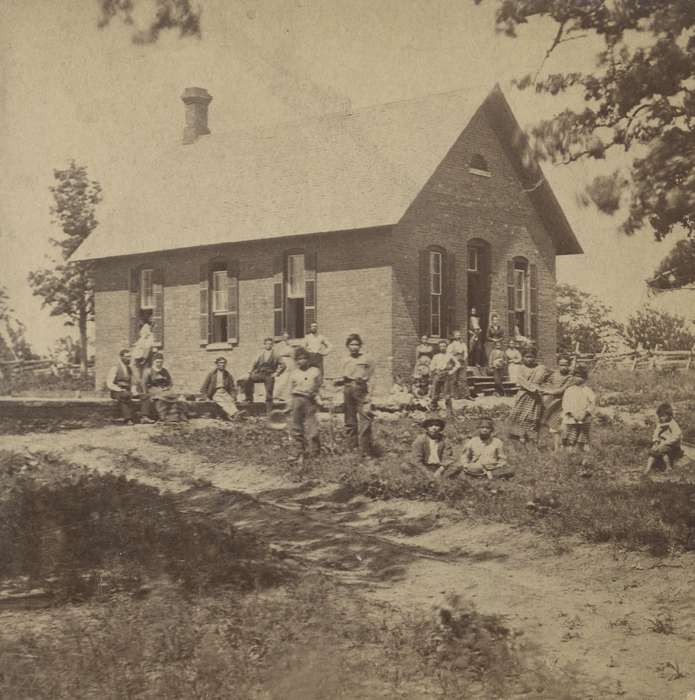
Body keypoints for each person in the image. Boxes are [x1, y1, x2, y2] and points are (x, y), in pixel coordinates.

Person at [335, 333, 375, 457]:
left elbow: (372, 377)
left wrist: (370, 395)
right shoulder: (344, 359)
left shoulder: (367, 359)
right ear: (347, 346)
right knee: (350, 420)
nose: (354, 347)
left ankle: (365, 451)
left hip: (361, 389)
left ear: (360, 346)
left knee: (365, 418)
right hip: (347, 389)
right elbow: (340, 377)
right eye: (352, 344)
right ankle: (351, 449)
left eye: (357, 344)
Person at [288, 347, 322, 462]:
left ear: (308, 359)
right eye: (298, 359)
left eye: (304, 358)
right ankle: (298, 452)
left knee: (312, 427)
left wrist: (319, 397)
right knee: (296, 427)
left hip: (310, 400)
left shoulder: (315, 371)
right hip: (297, 399)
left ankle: (315, 452)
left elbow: (318, 385)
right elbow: (291, 389)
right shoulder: (294, 373)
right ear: (296, 361)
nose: (301, 361)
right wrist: (289, 405)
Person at [508, 349, 548, 445]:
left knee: (534, 416)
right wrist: (533, 388)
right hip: (524, 394)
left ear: (535, 358)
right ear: (523, 358)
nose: (529, 359)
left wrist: (538, 388)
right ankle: (521, 435)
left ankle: (534, 436)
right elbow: (521, 380)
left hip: (535, 396)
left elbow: (540, 379)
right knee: (521, 415)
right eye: (527, 357)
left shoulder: (540, 368)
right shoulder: (521, 368)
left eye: (531, 357)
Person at [541, 356, 577, 451]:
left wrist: (547, 391)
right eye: (561, 365)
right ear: (558, 365)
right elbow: (547, 382)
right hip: (554, 403)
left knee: (566, 425)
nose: (563, 367)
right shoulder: (554, 374)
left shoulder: (570, 377)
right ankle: (557, 448)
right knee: (554, 426)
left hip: (566, 403)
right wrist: (545, 388)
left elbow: (561, 390)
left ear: (569, 365)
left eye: (566, 365)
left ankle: (566, 446)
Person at [561, 365, 596, 455]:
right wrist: (571, 414)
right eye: (576, 376)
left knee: (582, 436)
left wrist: (586, 413)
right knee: (570, 436)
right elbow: (565, 403)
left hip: (584, 418)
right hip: (571, 418)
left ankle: (581, 453)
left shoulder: (587, 390)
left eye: (580, 377)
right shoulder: (569, 390)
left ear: (585, 378)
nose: (578, 379)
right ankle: (569, 453)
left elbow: (593, 403)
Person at [142, 353, 187, 422]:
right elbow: (144, 384)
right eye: (157, 362)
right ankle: (163, 416)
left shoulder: (164, 371)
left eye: (161, 362)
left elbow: (170, 382)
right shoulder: (148, 371)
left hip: (164, 389)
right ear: (153, 362)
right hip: (153, 389)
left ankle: (175, 416)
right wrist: (147, 394)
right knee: (162, 397)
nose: (159, 364)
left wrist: (167, 387)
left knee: (175, 397)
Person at [244, 337, 282, 414]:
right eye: (267, 344)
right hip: (259, 373)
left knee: (269, 392)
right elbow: (253, 363)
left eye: (270, 344)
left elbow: (282, 365)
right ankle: (249, 398)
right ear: (264, 345)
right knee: (247, 379)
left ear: (272, 345)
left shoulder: (276, 355)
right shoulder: (260, 354)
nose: (268, 345)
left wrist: (276, 373)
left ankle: (269, 411)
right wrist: (250, 372)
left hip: (269, 375)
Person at [645, 402, 683, 475]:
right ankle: (648, 468)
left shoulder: (673, 424)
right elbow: (656, 433)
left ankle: (668, 467)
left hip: (672, 445)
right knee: (652, 451)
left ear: (670, 415)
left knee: (662, 450)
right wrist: (656, 440)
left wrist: (664, 443)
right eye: (660, 416)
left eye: (663, 416)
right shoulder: (660, 423)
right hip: (662, 443)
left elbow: (676, 436)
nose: (661, 418)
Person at [106, 349, 139, 424]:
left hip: (127, 391)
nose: (129, 359)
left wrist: (134, 391)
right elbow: (109, 383)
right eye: (127, 357)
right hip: (116, 391)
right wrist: (119, 389)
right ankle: (128, 419)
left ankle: (144, 416)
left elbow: (133, 382)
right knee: (125, 395)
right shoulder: (115, 368)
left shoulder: (129, 369)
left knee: (144, 396)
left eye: (130, 357)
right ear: (121, 357)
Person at [429, 339, 461, 417]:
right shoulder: (436, 356)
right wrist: (434, 370)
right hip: (438, 375)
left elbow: (458, 364)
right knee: (435, 393)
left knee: (447, 395)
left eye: (444, 346)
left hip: (446, 375)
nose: (442, 348)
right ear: (439, 347)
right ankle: (433, 410)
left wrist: (451, 371)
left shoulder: (450, 355)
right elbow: (431, 365)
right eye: (441, 346)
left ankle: (449, 412)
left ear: (446, 347)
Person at [131, 320, 155, 393]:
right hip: (137, 359)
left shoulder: (149, 338)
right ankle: (138, 392)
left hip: (141, 360)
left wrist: (144, 359)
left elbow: (147, 349)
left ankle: (143, 393)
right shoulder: (143, 338)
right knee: (137, 377)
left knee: (142, 378)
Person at [448, 330, 473, 399]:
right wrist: (455, 360)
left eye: (459, 335)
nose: (458, 336)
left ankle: (466, 395)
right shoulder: (451, 345)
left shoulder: (463, 344)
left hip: (462, 363)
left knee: (463, 379)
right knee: (454, 379)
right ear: (454, 336)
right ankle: (455, 395)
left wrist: (464, 358)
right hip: (454, 363)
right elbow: (449, 354)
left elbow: (466, 352)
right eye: (457, 335)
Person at [273, 331, 295, 402]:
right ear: (282, 337)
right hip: (283, 362)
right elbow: (277, 354)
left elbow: (293, 354)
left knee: (289, 380)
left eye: (287, 337)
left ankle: (285, 396)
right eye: (285, 337)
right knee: (281, 380)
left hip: (290, 363)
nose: (286, 338)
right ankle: (277, 395)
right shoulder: (279, 345)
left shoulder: (289, 345)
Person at [468, 307, 484, 372]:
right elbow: (468, 328)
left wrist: (479, 331)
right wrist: (472, 333)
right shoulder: (469, 318)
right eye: (472, 311)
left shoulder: (478, 319)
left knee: (479, 348)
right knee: (471, 348)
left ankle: (477, 363)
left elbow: (480, 327)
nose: (473, 312)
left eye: (474, 311)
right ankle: (470, 362)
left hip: (478, 335)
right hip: (472, 335)